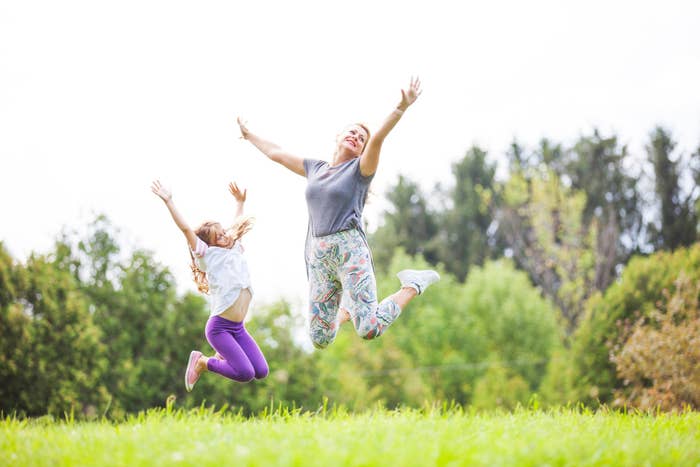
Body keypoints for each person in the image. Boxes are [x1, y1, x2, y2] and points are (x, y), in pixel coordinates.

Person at [237, 77, 440, 349]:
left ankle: (412, 285)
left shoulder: (360, 171)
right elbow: (277, 153)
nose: (356, 137)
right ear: (338, 136)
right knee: (320, 338)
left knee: (368, 328)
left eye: (361, 139)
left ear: (363, 150)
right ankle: (346, 308)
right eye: (352, 132)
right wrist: (249, 136)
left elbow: (378, 139)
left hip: (349, 252)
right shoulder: (315, 168)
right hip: (319, 256)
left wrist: (400, 108)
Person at [151, 179, 269, 391]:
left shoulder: (234, 248)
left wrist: (239, 202)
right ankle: (203, 362)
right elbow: (186, 229)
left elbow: (235, 224)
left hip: (238, 327)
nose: (225, 236)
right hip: (220, 328)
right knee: (245, 373)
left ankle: (221, 354)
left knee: (261, 371)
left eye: (223, 232)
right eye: (219, 236)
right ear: (210, 243)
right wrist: (169, 201)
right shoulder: (207, 255)